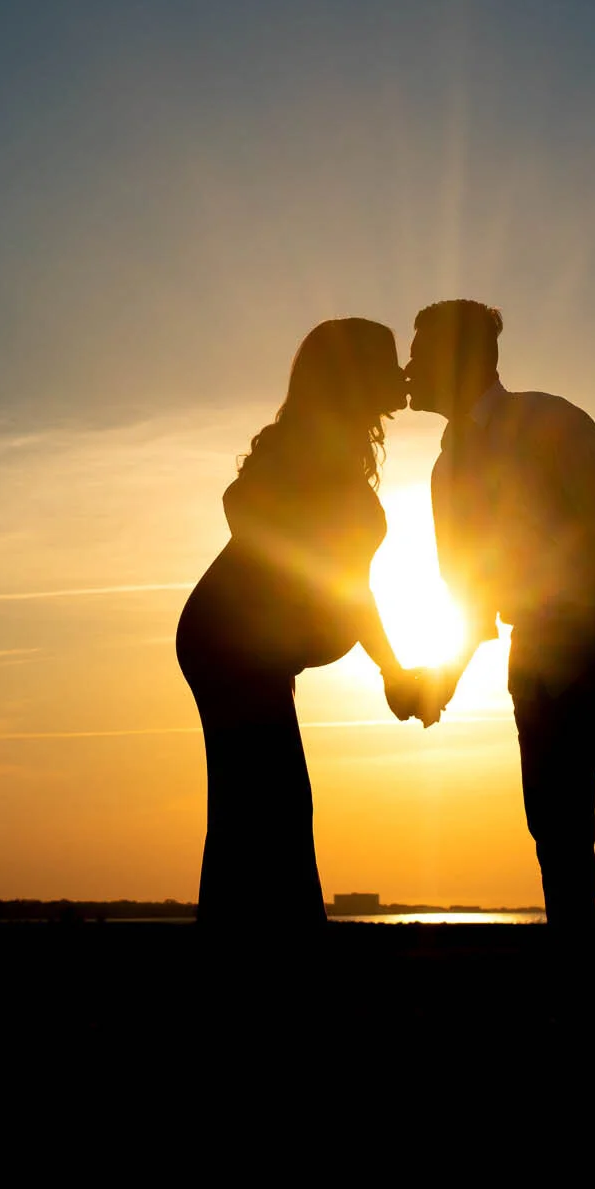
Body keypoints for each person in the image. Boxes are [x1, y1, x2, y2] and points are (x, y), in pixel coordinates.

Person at [407, 300, 595, 925]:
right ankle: (577, 997)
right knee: (559, 843)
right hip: (543, 661)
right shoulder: (445, 472)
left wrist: (576, 649)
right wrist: (437, 683)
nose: (407, 368)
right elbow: (472, 599)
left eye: (419, 353)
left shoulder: (551, 422)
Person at [177, 318, 430, 926]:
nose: (401, 374)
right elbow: (244, 508)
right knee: (268, 804)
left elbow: (350, 586)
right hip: (230, 645)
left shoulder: (334, 448)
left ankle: (263, 960)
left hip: (246, 649)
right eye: (390, 362)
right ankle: (272, 964)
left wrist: (392, 670)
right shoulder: (310, 447)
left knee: (263, 805)